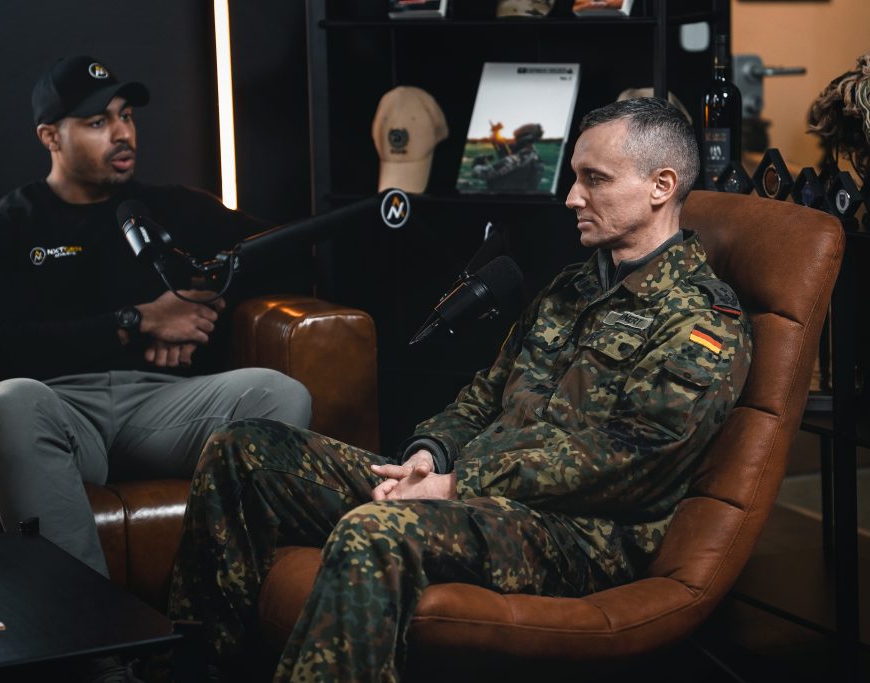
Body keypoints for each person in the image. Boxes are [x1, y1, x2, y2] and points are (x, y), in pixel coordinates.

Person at [168, 96, 753, 681]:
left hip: (577, 534)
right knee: (243, 450)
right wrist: (430, 456)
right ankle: (206, 668)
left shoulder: (701, 322)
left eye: (593, 180)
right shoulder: (570, 289)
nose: (572, 197)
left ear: (661, 185)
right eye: (575, 177)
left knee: (377, 530)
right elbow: (482, 395)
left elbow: (629, 462)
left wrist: (456, 484)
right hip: (470, 497)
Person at [0, 55, 312, 579]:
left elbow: (287, 254)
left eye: (126, 116)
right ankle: (93, 652)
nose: (122, 133)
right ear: (50, 137)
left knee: (279, 394)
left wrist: (205, 300)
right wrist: (138, 320)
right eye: (99, 122)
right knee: (8, 403)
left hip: (157, 408)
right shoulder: (0, 230)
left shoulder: (172, 209)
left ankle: (217, 614)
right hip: (55, 410)